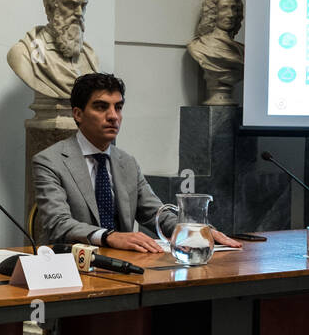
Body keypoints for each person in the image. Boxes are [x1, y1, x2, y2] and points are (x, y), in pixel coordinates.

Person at [33, 72, 242, 252]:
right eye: (101, 107)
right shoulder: (50, 161)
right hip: (71, 265)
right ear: (78, 114)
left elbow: (156, 214)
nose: (113, 116)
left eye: (118, 107)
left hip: (123, 265)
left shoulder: (127, 162)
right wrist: (109, 236)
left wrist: (199, 231)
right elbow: (58, 224)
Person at [7, 0, 101, 98]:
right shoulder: (23, 53)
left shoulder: (89, 56)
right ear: (50, 7)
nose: (79, 13)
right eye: (71, 4)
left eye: (83, 6)